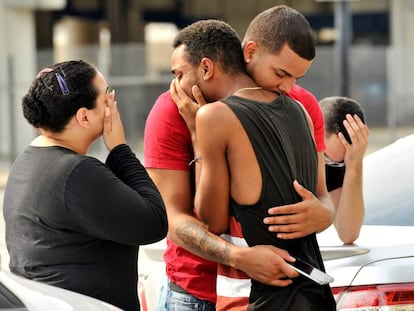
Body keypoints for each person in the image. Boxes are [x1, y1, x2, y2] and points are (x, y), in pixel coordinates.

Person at [170, 6, 334, 309]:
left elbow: (211, 220)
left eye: (293, 78)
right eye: (282, 74)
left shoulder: (214, 116)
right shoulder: (300, 112)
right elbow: (320, 198)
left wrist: (196, 134)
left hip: (255, 294)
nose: (288, 87)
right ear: (248, 52)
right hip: (311, 292)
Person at [3, 60, 168, 311]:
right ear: (84, 116)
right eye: (106, 98)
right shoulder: (76, 173)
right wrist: (121, 149)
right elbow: (154, 222)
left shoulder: (27, 161)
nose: (112, 104)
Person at [319, 96, 369, 244]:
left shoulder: (338, 161)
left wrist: (354, 164)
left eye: (337, 163)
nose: (327, 165)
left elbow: (348, 233)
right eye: (326, 158)